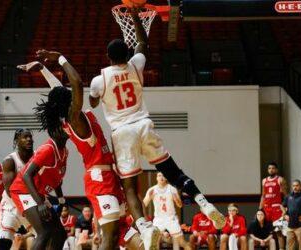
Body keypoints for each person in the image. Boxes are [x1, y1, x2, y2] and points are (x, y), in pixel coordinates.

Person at [89, 8, 225, 249]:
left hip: (123, 133)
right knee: (172, 171)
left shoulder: (99, 80)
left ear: (108, 57)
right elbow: (142, 42)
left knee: (129, 186)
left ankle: (143, 225)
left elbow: (92, 101)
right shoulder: (136, 65)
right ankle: (202, 201)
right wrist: (133, 16)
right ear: (127, 53)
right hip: (144, 125)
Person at [22, 49, 126, 250]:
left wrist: (43, 68)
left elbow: (58, 91)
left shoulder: (67, 114)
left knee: (117, 235)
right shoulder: (75, 118)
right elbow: (77, 83)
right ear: (67, 102)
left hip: (107, 173)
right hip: (98, 176)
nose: (70, 91)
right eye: (68, 94)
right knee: (109, 235)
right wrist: (60, 58)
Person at [9, 103, 69, 249]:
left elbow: (57, 179)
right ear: (56, 131)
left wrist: (61, 199)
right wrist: (41, 203)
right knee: (44, 231)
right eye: (64, 127)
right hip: (23, 191)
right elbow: (26, 176)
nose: (68, 130)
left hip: (38, 194)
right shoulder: (47, 149)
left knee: (60, 233)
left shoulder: (64, 151)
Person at [0, 129, 34, 250]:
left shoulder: (38, 158)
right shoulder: (10, 161)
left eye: (30, 137)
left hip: (31, 203)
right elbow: (10, 191)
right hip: (11, 205)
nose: (29, 139)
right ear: (17, 141)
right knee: (5, 239)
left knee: (46, 236)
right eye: (25, 137)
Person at [143, 172, 191, 250]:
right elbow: (144, 204)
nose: (161, 177)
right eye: (159, 175)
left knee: (181, 242)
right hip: (159, 219)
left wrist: (176, 199)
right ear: (156, 178)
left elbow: (180, 205)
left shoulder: (172, 189)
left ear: (166, 178)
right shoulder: (152, 190)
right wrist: (149, 197)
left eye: (163, 175)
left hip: (171, 218)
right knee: (154, 241)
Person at [259, 162, 287, 250]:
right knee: (267, 232)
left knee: (279, 232)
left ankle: (281, 248)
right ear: (268, 170)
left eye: (273, 168)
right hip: (266, 208)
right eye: (269, 168)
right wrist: (260, 209)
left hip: (277, 209)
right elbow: (263, 195)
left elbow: (286, 195)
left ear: (276, 169)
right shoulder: (264, 180)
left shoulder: (280, 179)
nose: (271, 170)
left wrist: (286, 208)